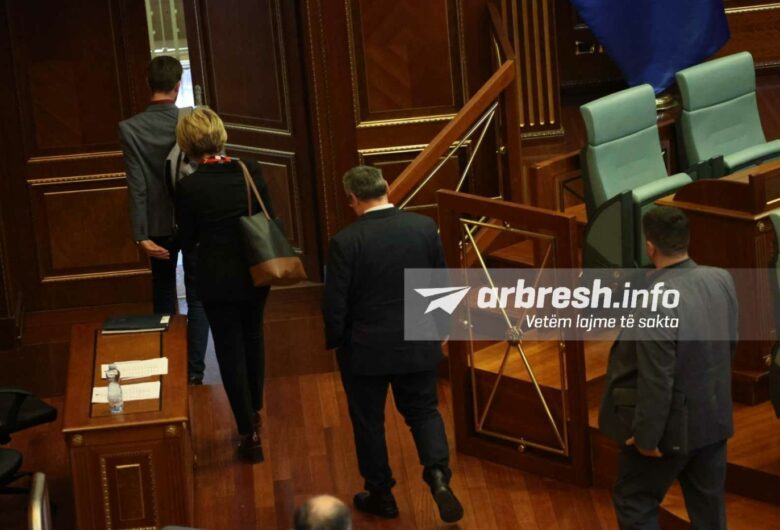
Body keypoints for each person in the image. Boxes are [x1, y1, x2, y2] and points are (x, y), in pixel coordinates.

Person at [322, 166, 463, 523]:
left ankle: (381, 495)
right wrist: (442, 328)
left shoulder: (345, 242)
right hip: (418, 336)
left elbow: (335, 303)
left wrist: (337, 341)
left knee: (368, 422)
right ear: (385, 187)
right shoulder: (422, 227)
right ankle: (438, 477)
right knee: (424, 412)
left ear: (353, 198)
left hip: (364, 348)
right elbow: (440, 282)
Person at [599, 206, 738, 530]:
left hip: (668, 432)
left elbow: (656, 378)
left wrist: (646, 439)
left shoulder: (656, 301)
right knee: (709, 514)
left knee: (635, 502)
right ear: (686, 240)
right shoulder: (721, 278)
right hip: (713, 420)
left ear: (650, 247)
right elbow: (729, 346)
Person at [174, 108, 274, 463]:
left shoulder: (189, 187)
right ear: (220, 135)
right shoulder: (249, 170)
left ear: (186, 144)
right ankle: (255, 409)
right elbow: (268, 216)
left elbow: (188, 239)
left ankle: (248, 431)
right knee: (253, 336)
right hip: (256, 270)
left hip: (216, 278)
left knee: (229, 349)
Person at [118, 56, 209, 385]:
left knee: (164, 293)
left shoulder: (129, 128)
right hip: (194, 220)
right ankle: (195, 373)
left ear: (148, 84)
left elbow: (137, 185)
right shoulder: (192, 120)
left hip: (156, 224)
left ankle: (168, 367)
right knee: (197, 297)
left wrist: (140, 233)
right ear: (178, 85)